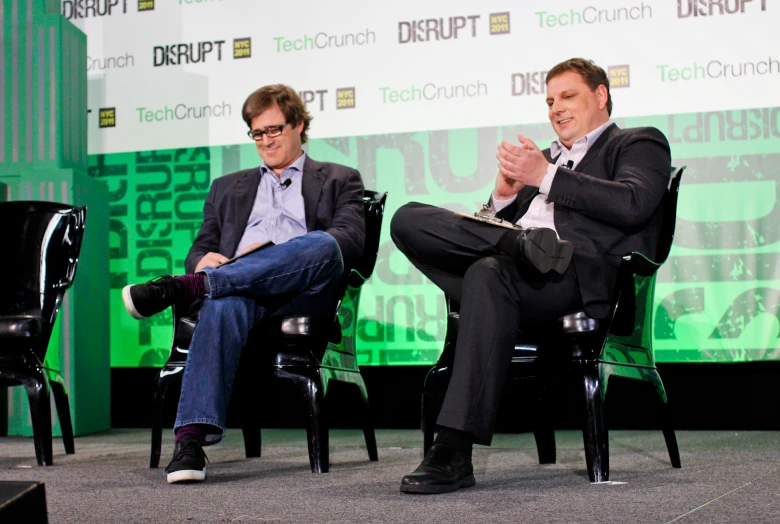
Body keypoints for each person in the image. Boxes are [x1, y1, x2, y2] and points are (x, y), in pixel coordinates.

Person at [390, 58, 672, 494]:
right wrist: (501, 201)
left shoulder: (637, 143)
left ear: (600, 96)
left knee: (488, 273)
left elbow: (633, 203)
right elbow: (478, 231)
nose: (556, 108)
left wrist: (547, 177)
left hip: (576, 281)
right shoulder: (536, 160)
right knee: (408, 219)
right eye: (550, 101)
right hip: (514, 270)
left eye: (568, 96)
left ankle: (452, 449)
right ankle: (522, 244)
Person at [122, 85, 365, 484]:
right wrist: (202, 262)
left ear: (299, 125)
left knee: (323, 244)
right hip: (243, 288)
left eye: (274, 129)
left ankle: (186, 287)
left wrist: (287, 253)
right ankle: (190, 441)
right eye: (257, 133)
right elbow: (202, 245)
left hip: (304, 290)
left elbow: (350, 242)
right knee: (222, 300)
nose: (266, 141)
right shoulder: (227, 187)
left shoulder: (339, 178)